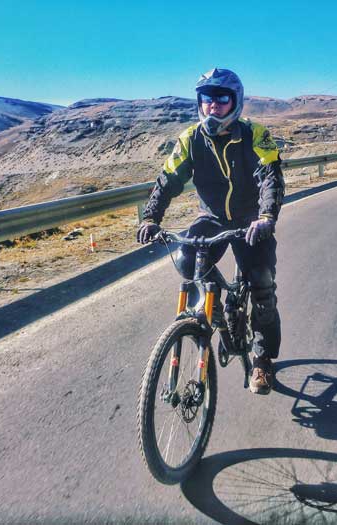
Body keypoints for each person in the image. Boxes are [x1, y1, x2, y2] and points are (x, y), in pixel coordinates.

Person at [137, 67, 285, 395]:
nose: (212, 105)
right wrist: (151, 218)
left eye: (221, 98)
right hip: (214, 219)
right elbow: (168, 180)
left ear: (236, 102)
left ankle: (262, 359)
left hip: (251, 221)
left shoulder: (255, 134)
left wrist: (265, 216)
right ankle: (216, 307)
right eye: (206, 98)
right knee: (186, 258)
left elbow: (270, 177)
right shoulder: (190, 139)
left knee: (261, 283)